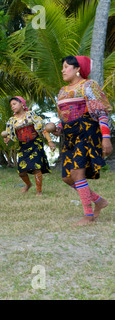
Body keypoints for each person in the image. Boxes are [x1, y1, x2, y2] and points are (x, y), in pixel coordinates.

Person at [51, 55, 112, 226]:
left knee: (78, 173)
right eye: (62, 67)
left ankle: (88, 216)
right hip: (70, 136)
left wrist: (106, 138)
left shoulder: (88, 85)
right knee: (67, 177)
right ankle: (99, 201)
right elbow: (64, 118)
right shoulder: (62, 91)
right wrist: (58, 128)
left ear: (77, 69)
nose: (63, 70)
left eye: (66, 66)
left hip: (87, 133)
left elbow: (101, 113)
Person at [3, 96, 54, 196]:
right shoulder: (11, 121)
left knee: (36, 168)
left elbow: (43, 129)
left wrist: (50, 141)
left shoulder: (31, 115)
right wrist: (7, 139)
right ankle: (28, 184)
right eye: (11, 105)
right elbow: (10, 135)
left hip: (35, 143)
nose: (12, 107)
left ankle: (39, 191)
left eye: (14, 104)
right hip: (23, 146)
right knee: (21, 171)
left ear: (22, 104)